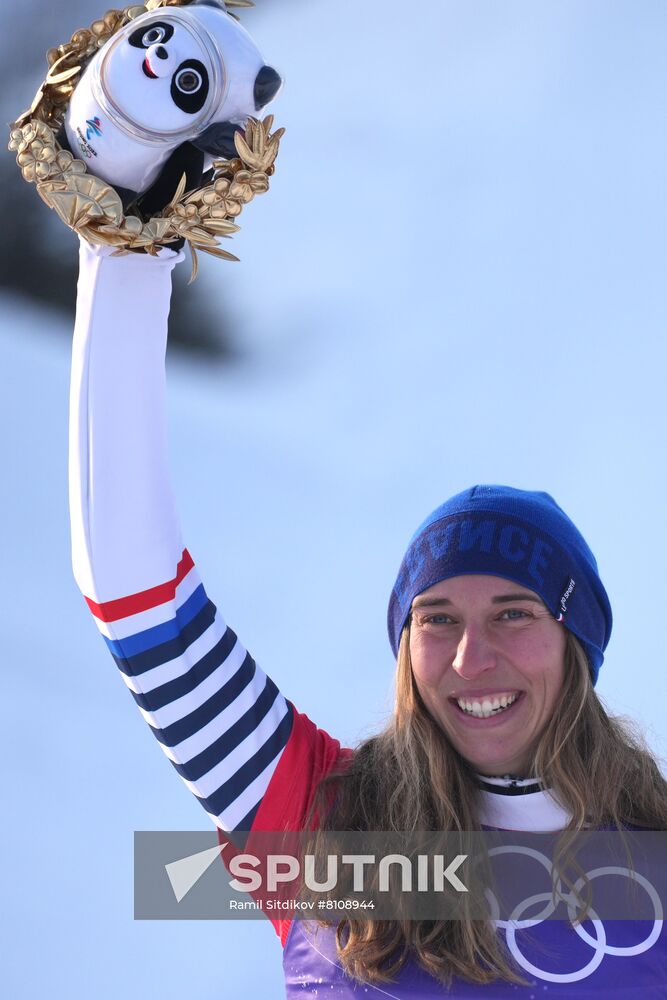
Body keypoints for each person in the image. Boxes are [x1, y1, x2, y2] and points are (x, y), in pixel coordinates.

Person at [68, 238, 667, 997]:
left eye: (513, 614)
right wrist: (125, 249)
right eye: (437, 620)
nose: (469, 658)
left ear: (574, 643)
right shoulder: (316, 818)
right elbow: (134, 590)